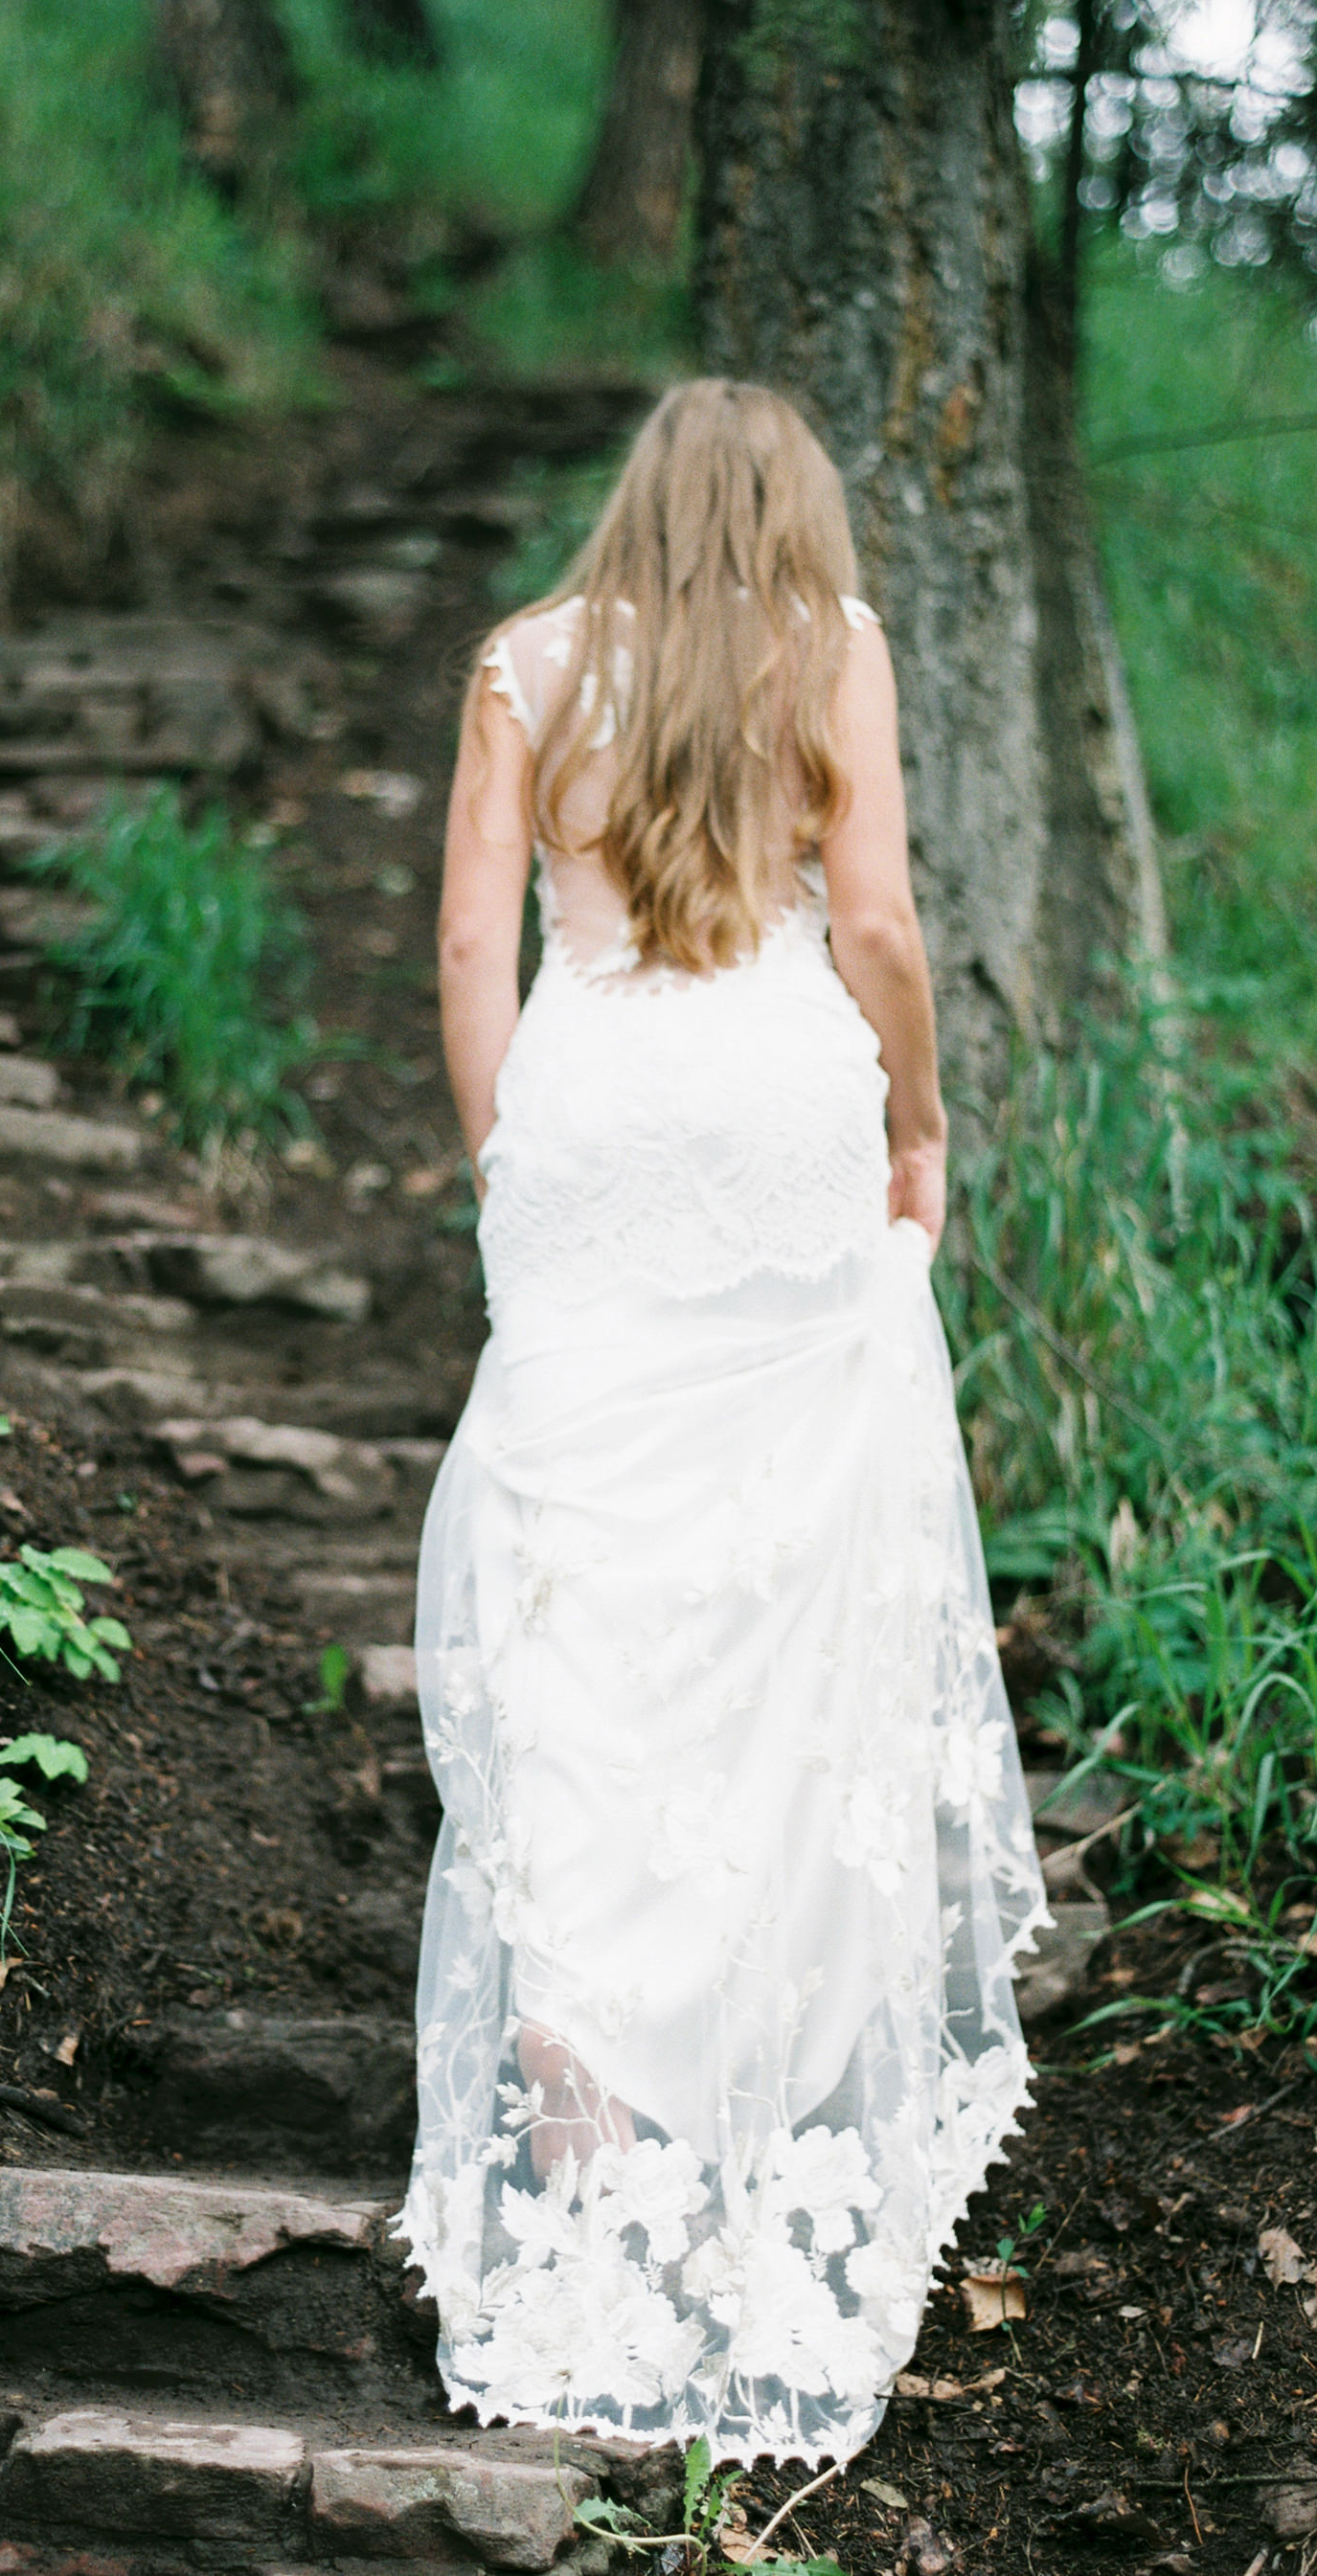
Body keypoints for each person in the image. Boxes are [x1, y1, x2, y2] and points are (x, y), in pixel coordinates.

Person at [396, 379, 1048, 2469]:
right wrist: (921, 1120)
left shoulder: (525, 662)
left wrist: (510, 1154)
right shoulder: (827, 641)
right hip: (774, 1110)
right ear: (783, 508)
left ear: (632, 500)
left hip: (597, 1112)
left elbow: (473, 935)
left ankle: (581, 2039)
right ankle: (757, 2034)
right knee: (782, 1561)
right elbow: (868, 924)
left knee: (579, 1556)